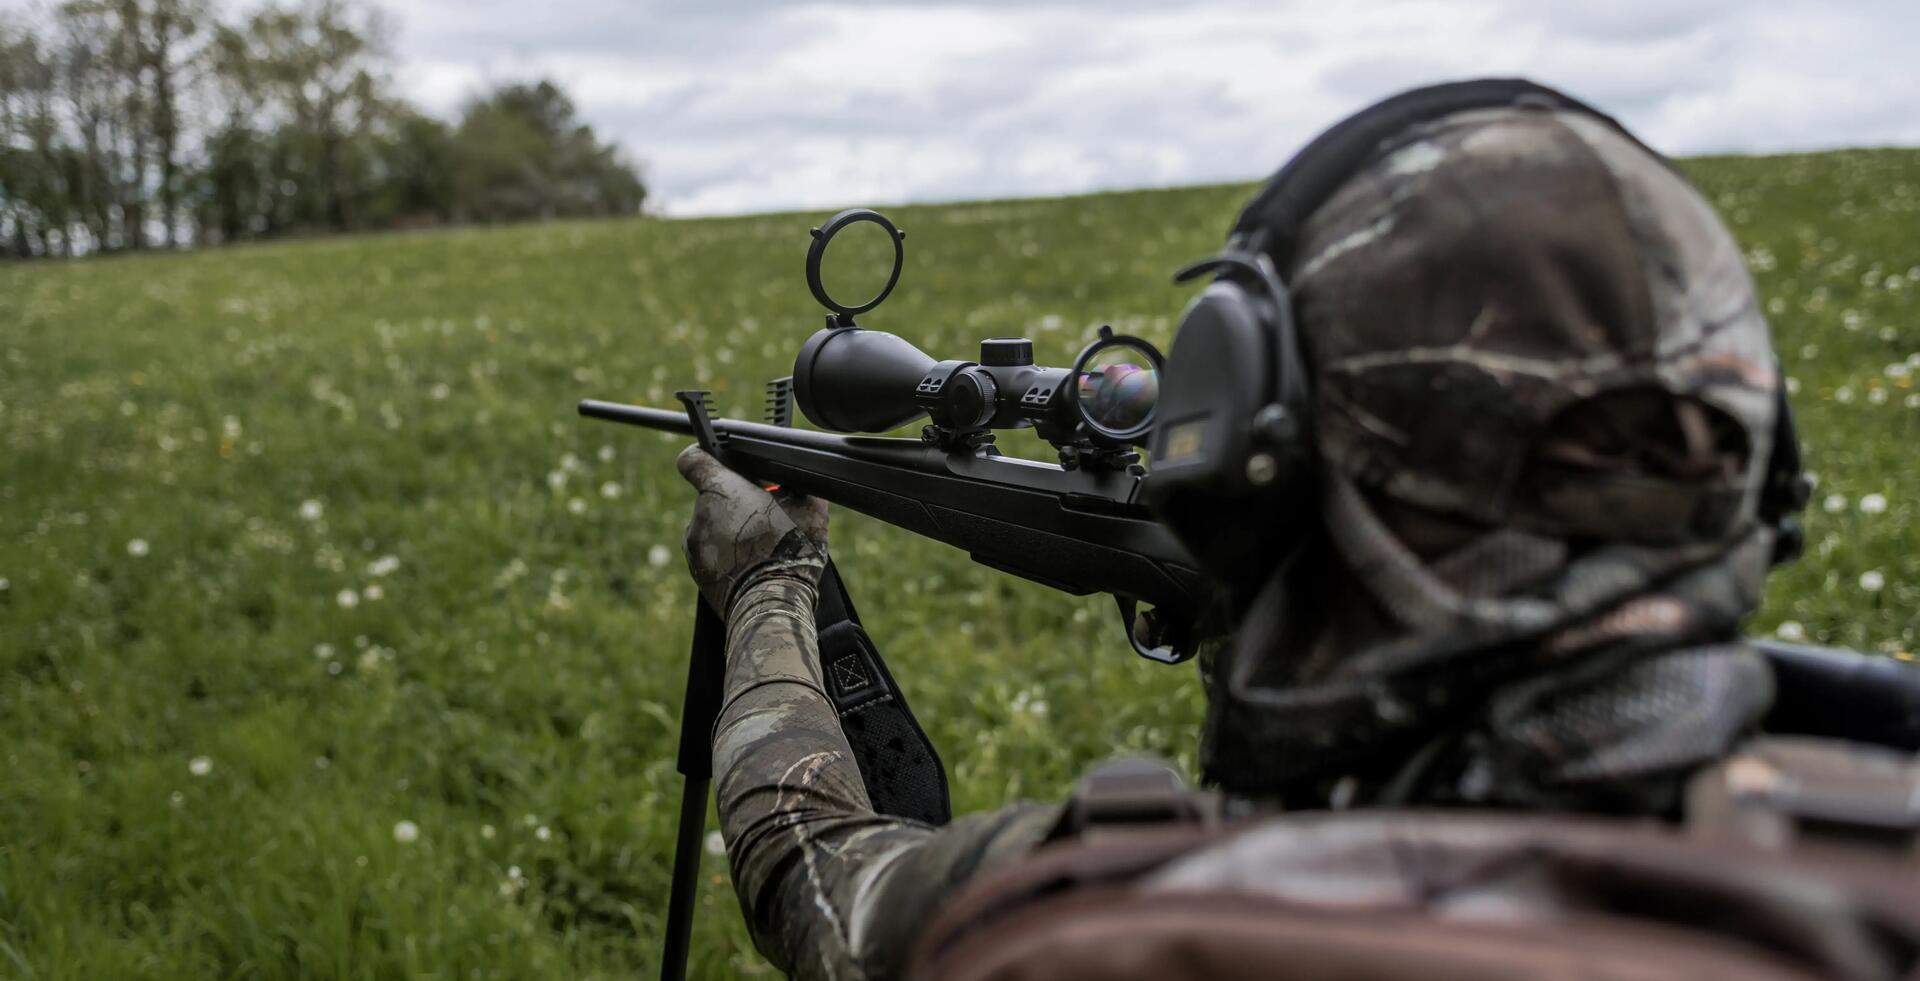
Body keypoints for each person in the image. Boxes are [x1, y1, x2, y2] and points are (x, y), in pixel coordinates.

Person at [674, 80, 1914, 981]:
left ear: (1252, 460)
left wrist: (773, 581)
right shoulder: (1869, 816)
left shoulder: (1134, 922)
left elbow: (813, 873)